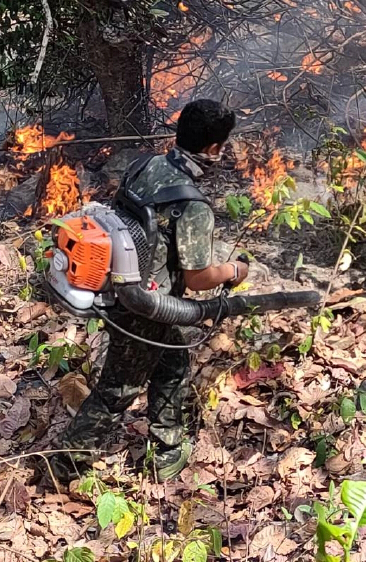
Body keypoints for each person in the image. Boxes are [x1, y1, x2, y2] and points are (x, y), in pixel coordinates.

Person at [52, 99, 249, 481]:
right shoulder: (193, 205)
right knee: (118, 387)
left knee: (173, 363)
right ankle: (65, 461)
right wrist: (234, 270)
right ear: (213, 149)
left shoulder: (144, 165)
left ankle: (167, 448)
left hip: (120, 288)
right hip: (147, 305)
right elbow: (198, 278)